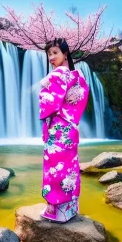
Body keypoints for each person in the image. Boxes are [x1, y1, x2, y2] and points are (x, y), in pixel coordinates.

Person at [39, 38, 89, 223]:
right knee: (70, 166)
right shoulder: (78, 77)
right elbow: (79, 101)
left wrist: (43, 92)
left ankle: (55, 210)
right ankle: (70, 208)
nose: (51, 57)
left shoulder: (56, 75)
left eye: (55, 53)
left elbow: (49, 103)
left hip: (58, 129)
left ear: (65, 53)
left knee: (54, 167)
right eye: (49, 54)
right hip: (71, 127)